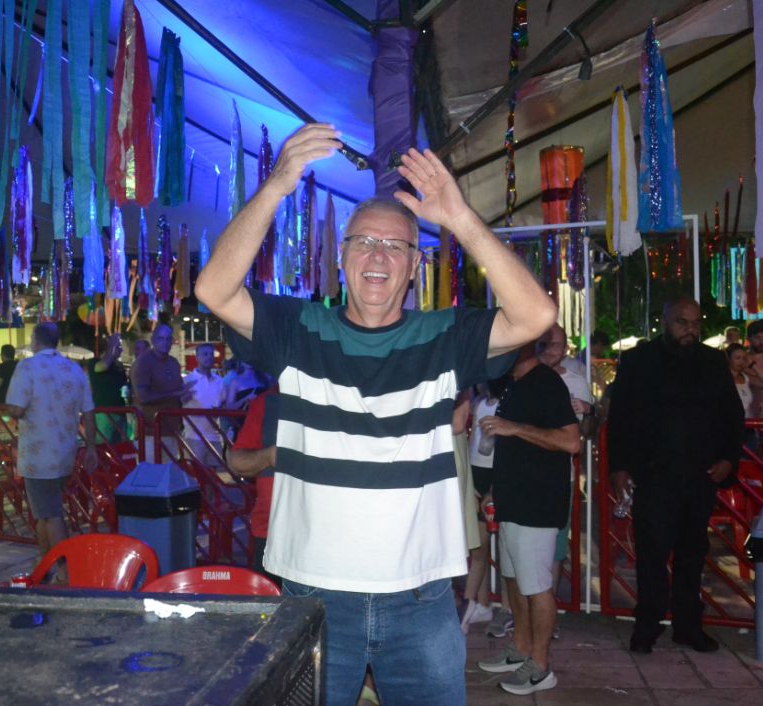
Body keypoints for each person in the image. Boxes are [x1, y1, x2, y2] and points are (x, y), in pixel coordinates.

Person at [193, 124, 555, 705]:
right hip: (314, 595)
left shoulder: (443, 336)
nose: (378, 255)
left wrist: (459, 218)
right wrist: (277, 184)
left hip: (419, 600)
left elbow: (536, 315)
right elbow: (213, 289)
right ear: (341, 258)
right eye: (363, 241)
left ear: (414, 267)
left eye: (396, 246)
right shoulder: (298, 329)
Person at [608, 297, 744, 654]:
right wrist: (618, 467)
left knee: (692, 555)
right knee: (651, 555)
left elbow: (732, 415)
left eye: (696, 324)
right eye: (683, 323)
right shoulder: (638, 361)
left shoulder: (712, 361)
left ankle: (688, 626)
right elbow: (619, 417)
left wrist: (729, 459)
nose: (690, 330)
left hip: (699, 475)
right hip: (653, 476)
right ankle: (647, 625)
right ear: (666, 322)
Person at [476, 343, 579, 695]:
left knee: (536, 585)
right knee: (514, 580)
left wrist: (515, 428)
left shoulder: (546, 383)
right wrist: (494, 490)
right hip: (511, 499)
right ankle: (520, 648)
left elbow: (571, 441)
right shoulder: (514, 384)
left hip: (538, 502)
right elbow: (509, 445)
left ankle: (541, 665)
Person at [5, 323, 97, 562]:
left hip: (38, 456)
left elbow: (16, 409)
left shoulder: (27, 367)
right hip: (65, 452)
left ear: (35, 340)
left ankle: (64, 570)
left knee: (51, 514)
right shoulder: (74, 369)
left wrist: (12, 407)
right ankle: (45, 567)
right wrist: (91, 447)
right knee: (44, 513)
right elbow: (89, 412)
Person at [535, 324, 593, 630]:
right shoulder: (523, 377)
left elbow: (586, 433)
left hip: (560, 474)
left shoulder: (575, 381)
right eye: (543, 344)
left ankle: (549, 612)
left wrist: (588, 411)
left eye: (555, 344)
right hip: (524, 473)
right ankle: (518, 612)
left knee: (555, 547)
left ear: (566, 349)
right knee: (518, 544)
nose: (549, 350)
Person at [461, 377, 509, 636]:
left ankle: (506, 608)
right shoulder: (480, 403)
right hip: (478, 473)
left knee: (504, 547)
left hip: (497, 475)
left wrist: (494, 488)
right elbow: (472, 442)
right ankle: (479, 604)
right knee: (478, 546)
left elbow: (506, 448)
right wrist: (470, 481)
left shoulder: (506, 403)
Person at [225, 386, 279, 580]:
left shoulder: (343, 394)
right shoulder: (268, 401)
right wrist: (270, 456)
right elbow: (237, 462)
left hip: (323, 533)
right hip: (270, 531)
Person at [130, 323, 188, 460]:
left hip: (172, 431)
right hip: (149, 432)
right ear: (153, 340)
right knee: (151, 472)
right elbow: (143, 397)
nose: (165, 342)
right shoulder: (143, 363)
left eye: (168, 339)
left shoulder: (173, 362)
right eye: (161, 338)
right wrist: (174, 394)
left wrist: (184, 396)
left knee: (168, 471)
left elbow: (178, 391)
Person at [182, 342, 226, 467]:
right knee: (195, 474)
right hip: (193, 437)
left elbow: (224, 404)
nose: (209, 357)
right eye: (205, 354)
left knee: (213, 475)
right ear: (197, 357)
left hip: (214, 437)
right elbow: (179, 402)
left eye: (211, 354)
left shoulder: (220, 381)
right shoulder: (187, 381)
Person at [88, 333, 129, 443]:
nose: (121, 350)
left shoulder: (119, 366)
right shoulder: (94, 362)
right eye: (118, 347)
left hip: (120, 412)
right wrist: (112, 345)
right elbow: (104, 366)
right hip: (104, 414)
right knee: (103, 445)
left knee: (121, 447)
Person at [726, 343, 755, 418]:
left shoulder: (745, 378)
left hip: (748, 421)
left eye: (744, 358)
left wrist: (752, 364)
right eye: (737, 358)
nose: (741, 361)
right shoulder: (722, 379)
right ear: (728, 358)